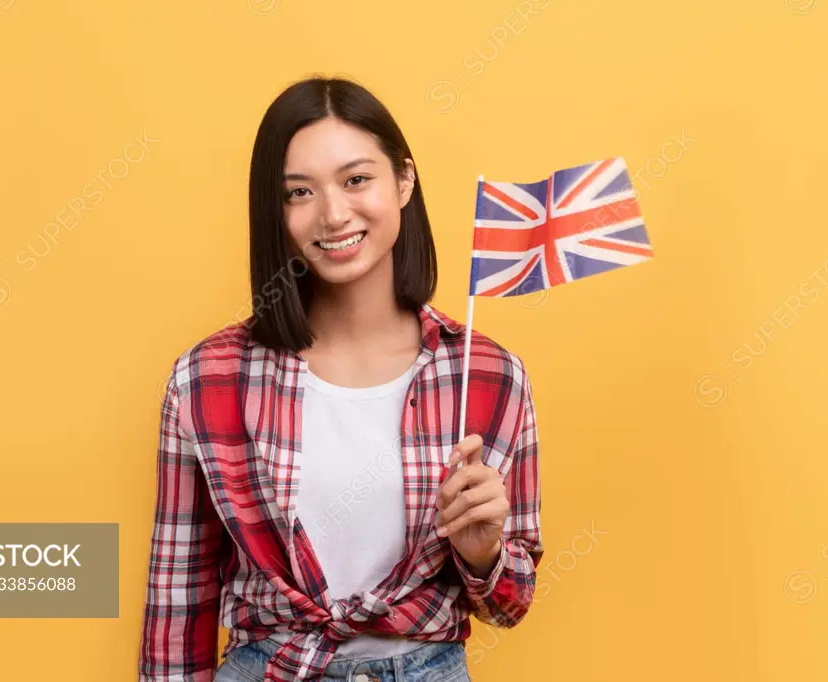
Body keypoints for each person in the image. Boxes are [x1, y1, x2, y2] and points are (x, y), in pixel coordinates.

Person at [138, 75, 543, 682]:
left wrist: (483, 553)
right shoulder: (207, 378)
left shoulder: (487, 375)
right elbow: (179, 590)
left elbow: (508, 606)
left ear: (404, 180)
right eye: (299, 192)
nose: (332, 214)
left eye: (357, 179)